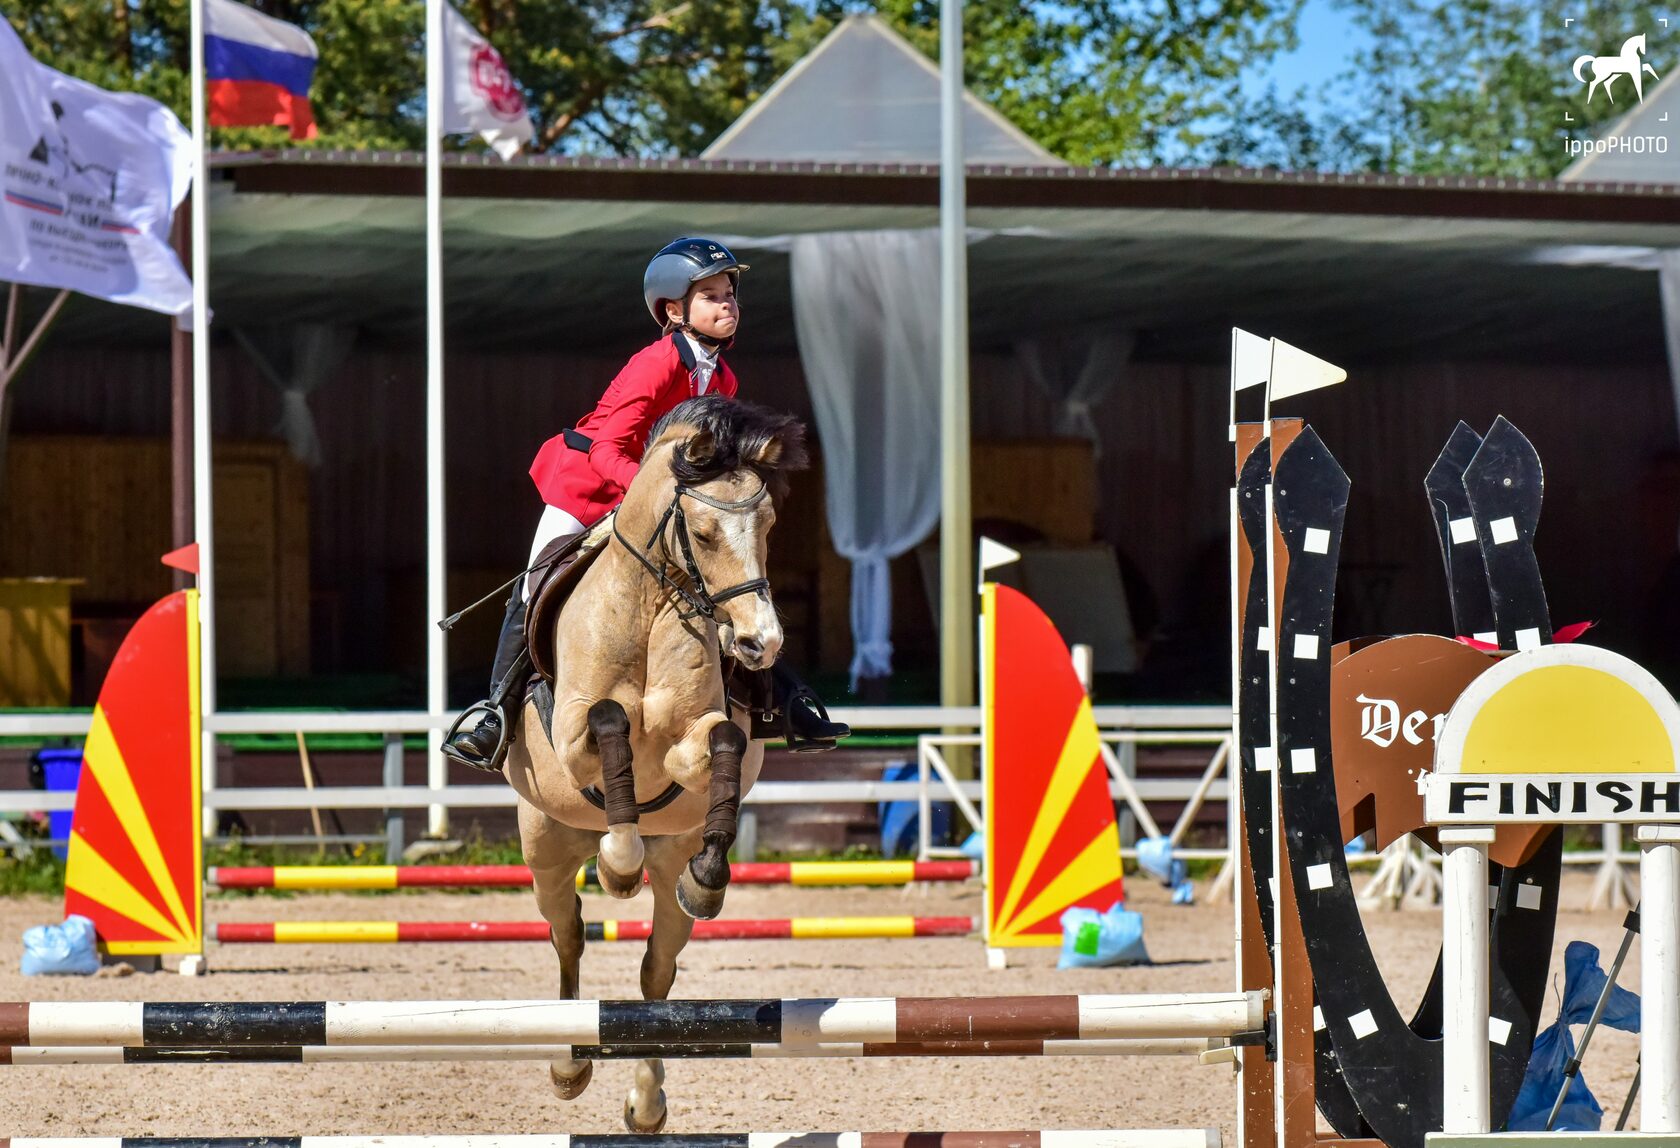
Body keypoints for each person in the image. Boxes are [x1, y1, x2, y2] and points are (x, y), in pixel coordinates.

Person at [443, 237, 851, 771]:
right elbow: (609, 447)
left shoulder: (723, 378)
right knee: (533, 583)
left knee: (726, 583)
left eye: (730, 294)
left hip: (659, 508)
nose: (728, 304)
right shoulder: (656, 362)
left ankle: (782, 702)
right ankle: (496, 712)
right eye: (712, 296)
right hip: (588, 488)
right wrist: (652, 499)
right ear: (674, 310)